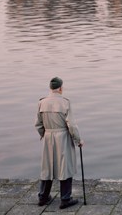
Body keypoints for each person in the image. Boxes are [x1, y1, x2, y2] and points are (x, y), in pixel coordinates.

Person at [35, 77, 83, 208]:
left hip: (48, 136)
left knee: (47, 168)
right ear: (61, 88)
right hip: (62, 137)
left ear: (50, 88)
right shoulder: (65, 102)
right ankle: (65, 199)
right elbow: (72, 125)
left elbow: (38, 124)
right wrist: (78, 140)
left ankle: (43, 197)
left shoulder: (41, 102)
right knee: (65, 166)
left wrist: (43, 136)